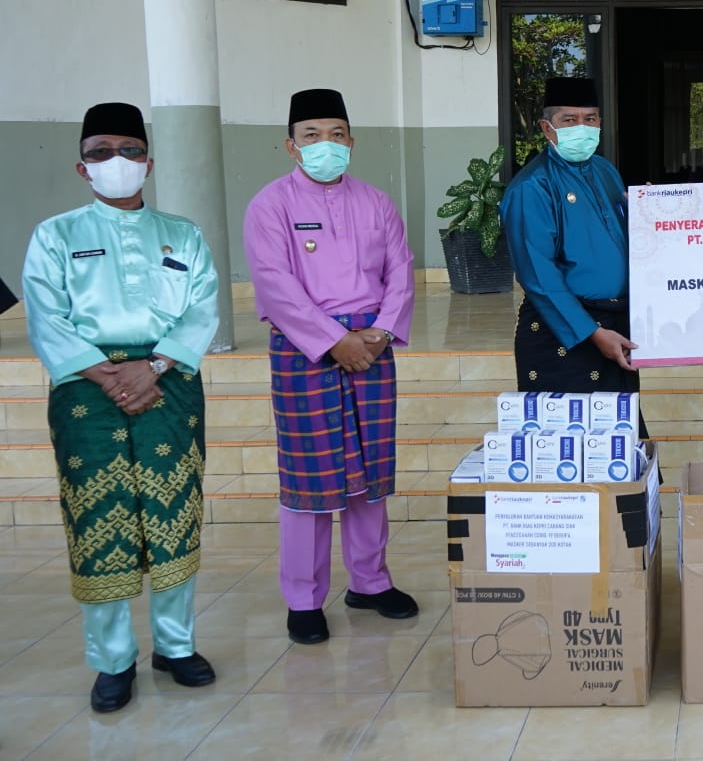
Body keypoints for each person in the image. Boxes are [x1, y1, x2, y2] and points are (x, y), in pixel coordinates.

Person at [22, 102, 219, 712]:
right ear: (84, 168)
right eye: (102, 151)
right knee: (97, 519)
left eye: (130, 150)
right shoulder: (56, 235)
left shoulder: (183, 235)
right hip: (85, 389)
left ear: (149, 163)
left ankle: (175, 646)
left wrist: (153, 365)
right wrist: (106, 374)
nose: (118, 162)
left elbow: (202, 310)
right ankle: (112, 661)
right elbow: (44, 315)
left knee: (173, 510)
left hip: (169, 382)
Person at [243, 88, 418, 645]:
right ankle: (303, 596)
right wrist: (332, 340)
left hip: (372, 345)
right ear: (291, 146)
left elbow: (402, 271)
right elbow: (275, 285)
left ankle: (369, 581)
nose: (326, 145)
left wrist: (382, 331)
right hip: (305, 350)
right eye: (312, 136)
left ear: (352, 141)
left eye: (337, 134)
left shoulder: (377, 202)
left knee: (369, 474)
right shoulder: (269, 205)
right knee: (309, 480)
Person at [500, 77, 649, 432]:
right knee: (573, 449)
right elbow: (539, 277)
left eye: (591, 118)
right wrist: (592, 332)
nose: (582, 128)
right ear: (547, 128)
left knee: (619, 445)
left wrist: (651, 214)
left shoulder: (605, 171)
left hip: (615, 327)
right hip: (563, 335)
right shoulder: (531, 187)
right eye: (570, 120)